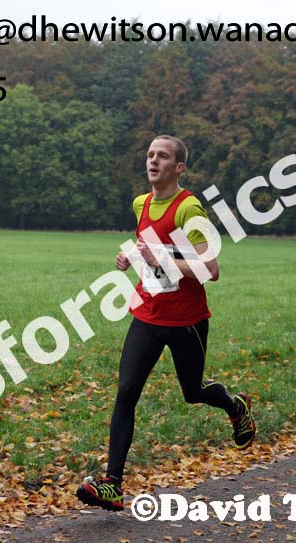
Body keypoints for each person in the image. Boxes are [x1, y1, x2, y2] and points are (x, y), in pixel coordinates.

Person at [76, 135, 257, 512]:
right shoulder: (140, 203)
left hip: (186, 321)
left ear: (179, 167)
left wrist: (161, 262)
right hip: (147, 314)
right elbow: (154, 249)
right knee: (126, 392)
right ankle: (112, 483)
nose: (153, 161)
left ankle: (235, 406)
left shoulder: (188, 209)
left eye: (162, 156)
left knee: (192, 392)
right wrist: (131, 259)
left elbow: (211, 270)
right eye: (150, 155)